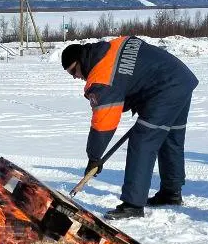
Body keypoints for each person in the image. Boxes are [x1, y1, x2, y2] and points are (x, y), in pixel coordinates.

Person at [62, 36, 198, 219]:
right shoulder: (110, 49)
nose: (76, 77)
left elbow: (103, 124)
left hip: (165, 88)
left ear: (81, 61)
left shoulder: (102, 76)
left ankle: (133, 204)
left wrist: (94, 157)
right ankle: (171, 193)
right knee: (169, 137)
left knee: (143, 141)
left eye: (74, 71)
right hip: (180, 78)